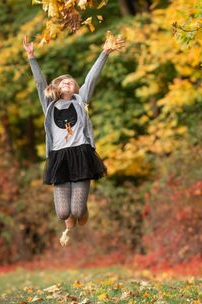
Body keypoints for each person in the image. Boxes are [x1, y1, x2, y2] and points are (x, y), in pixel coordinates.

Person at [23, 34, 124, 247]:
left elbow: (92, 78)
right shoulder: (49, 106)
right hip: (59, 157)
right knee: (63, 213)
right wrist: (32, 57)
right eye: (63, 82)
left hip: (80, 153)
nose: (68, 83)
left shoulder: (81, 100)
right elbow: (40, 82)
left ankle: (82, 211)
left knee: (77, 210)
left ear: (75, 88)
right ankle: (68, 221)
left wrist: (104, 53)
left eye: (71, 81)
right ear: (57, 88)